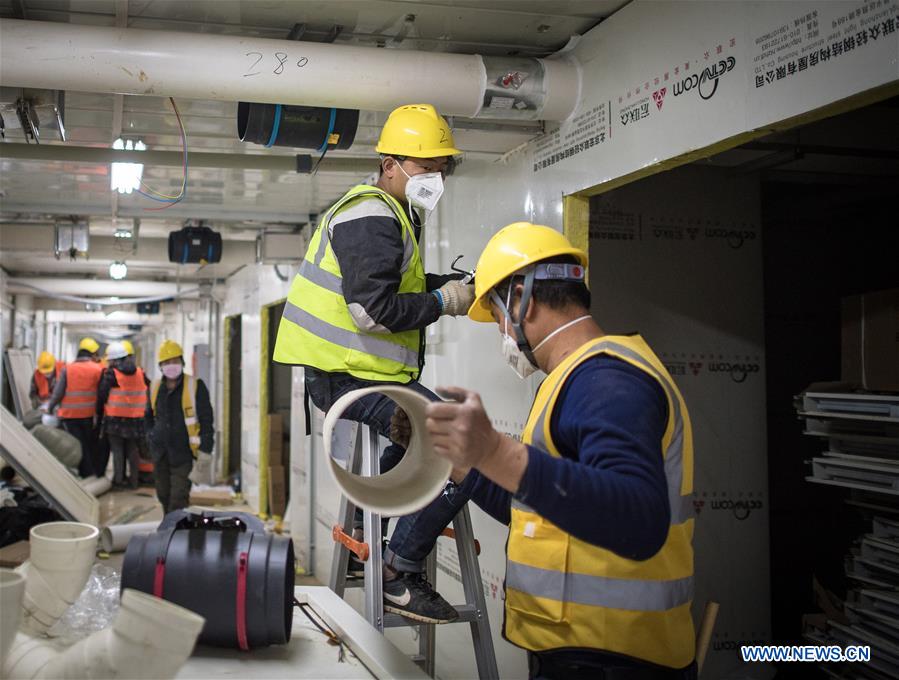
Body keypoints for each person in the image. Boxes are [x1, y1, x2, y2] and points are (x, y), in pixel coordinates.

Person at [421, 223, 697, 679]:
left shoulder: (607, 381)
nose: (501, 335)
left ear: (521, 299)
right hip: (579, 651)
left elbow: (639, 521)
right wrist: (461, 462)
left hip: (616, 659)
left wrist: (497, 451)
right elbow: (535, 509)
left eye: (496, 315)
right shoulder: (572, 380)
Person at [274, 103, 476, 623]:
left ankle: (375, 533)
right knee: (462, 446)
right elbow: (374, 311)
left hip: (365, 375)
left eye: (442, 167)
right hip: (345, 378)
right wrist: (444, 301)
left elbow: (395, 288)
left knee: (422, 442)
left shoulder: (394, 214)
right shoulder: (371, 214)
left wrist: (452, 289)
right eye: (426, 165)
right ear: (390, 164)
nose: (437, 177)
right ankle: (397, 572)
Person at [147, 340, 214, 514]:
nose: (171, 366)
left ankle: (174, 533)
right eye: (167, 362)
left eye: (175, 361)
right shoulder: (154, 387)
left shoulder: (195, 386)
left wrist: (206, 449)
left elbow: (207, 420)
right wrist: (150, 437)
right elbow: (147, 417)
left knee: (179, 497)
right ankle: (169, 529)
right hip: (160, 452)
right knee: (163, 495)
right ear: (160, 366)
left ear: (182, 363)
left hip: (183, 453)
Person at [46, 337, 104, 478]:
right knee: (89, 445)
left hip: (70, 416)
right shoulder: (98, 369)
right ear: (91, 355)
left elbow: (58, 392)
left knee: (76, 446)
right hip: (90, 416)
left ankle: (83, 474)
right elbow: (102, 393)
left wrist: (49, 408)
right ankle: (90, 474)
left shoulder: (68, 369)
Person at [96, 341, 149, 489]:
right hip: (136, 419)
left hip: (115, 419)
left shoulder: (112, 374)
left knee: (117, 451)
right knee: (133, 450)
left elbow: (102, 395)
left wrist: (99, 413)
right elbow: (148, 389)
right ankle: (134, 481)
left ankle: (118, 481)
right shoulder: (140, 372)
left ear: (114, 360)